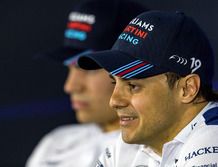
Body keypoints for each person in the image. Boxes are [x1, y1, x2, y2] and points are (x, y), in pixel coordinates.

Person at [78, 10, 218, 166]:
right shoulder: (127, 146)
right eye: (114, 83)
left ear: (187, 89)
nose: (114, 101)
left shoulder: (212, 139)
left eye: (132, 86)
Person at [25, 0, 147, 167]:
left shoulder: (165, 153)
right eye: (70, 69)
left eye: (87, 69)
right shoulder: (55, 143)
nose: (70, 86)